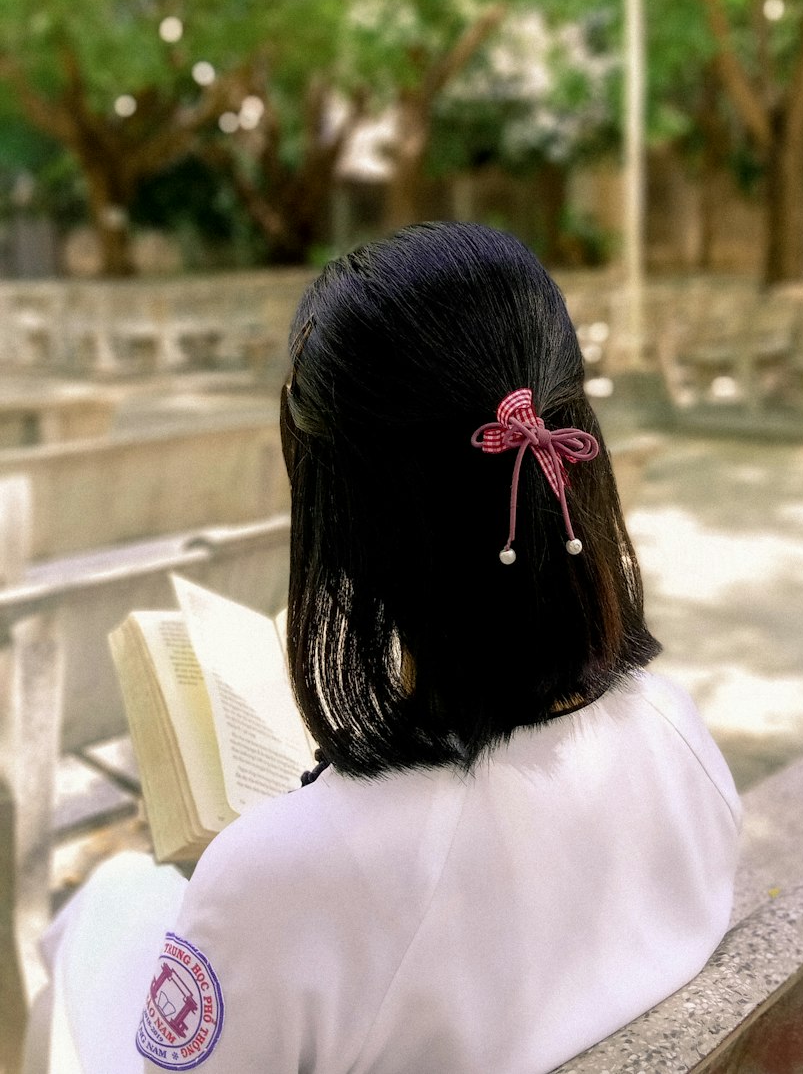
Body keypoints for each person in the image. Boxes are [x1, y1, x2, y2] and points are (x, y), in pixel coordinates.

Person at [134, 221, 740, 1073]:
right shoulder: (678, 736)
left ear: (345, 517)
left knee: (106, 915)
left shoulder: (281, 883)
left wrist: (243, 886)